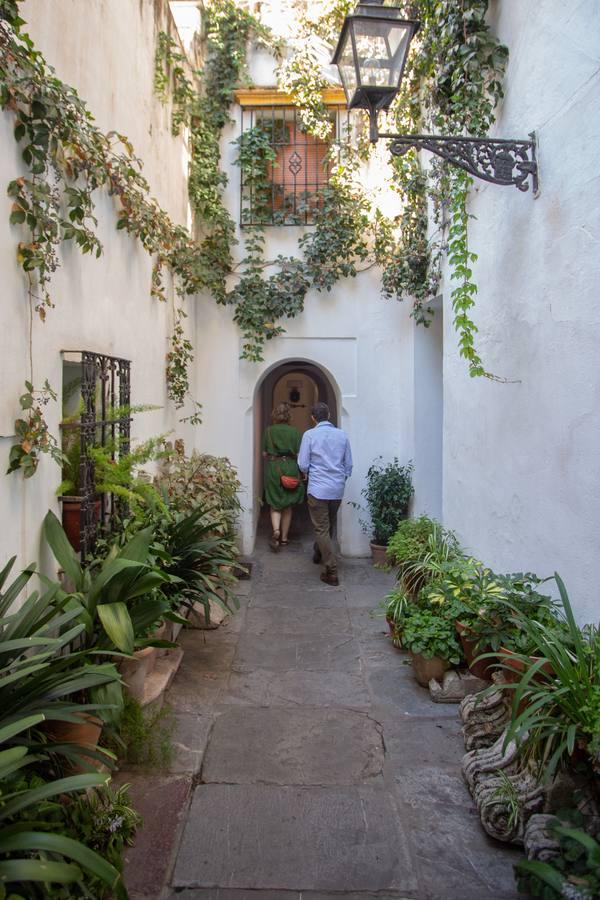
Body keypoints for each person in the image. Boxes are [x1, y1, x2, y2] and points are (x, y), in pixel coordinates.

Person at [298, 402, 353, 586]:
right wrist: (340, 479)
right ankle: (319, 551)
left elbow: (303, 464)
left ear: (313, 418)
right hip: (336, 489)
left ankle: (331, 569)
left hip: (318, 488)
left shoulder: (310, 435)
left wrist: (309, 473)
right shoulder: (342, 435)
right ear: (328, 415)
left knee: (322, 528)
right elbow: (349, 464)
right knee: (329, 525)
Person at [262, 402, 305, 551]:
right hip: (291, 467)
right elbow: (299, 454)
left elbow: (264, 453)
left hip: (275, 467)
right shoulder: (295, 432)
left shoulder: (269, 431)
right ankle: (285, 538)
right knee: (287, 505)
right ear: (289, 415)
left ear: (275, 415)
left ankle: (276, 531)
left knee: (275, 503)